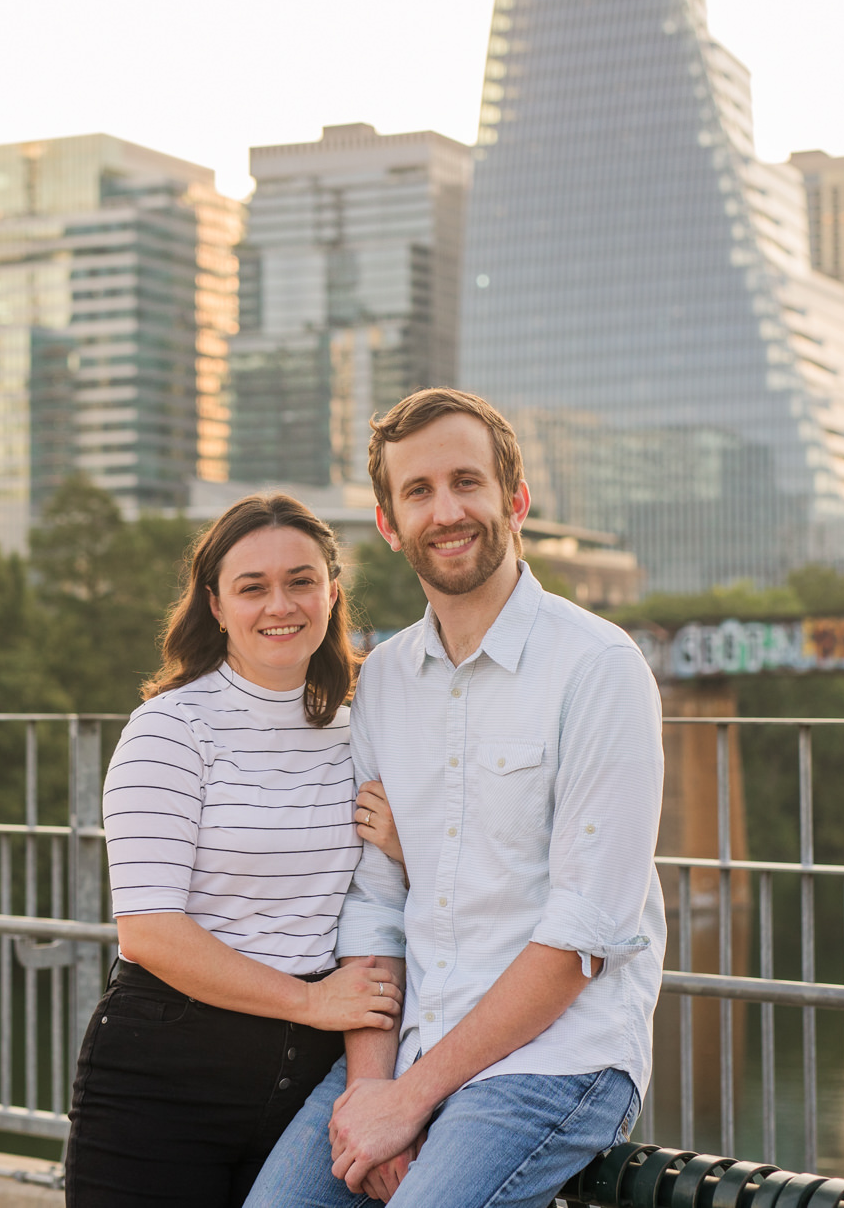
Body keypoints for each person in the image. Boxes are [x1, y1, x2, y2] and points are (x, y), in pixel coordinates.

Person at [245, 388, 667, 1208]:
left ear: (515, 501)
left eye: (467, 482)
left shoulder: (597, 668)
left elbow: (585, 933)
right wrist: (373, 1091)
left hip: (556, 1059)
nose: (447, 511)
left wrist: (410, 1100)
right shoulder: (386, 684)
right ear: (388, 522)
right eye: (419, 491)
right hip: (410, 1045)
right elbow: (373, 907)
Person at [65, 493, 404, 1208]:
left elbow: (393, 895)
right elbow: (150, 932)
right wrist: (311, 1002)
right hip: (162, 1082)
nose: (280, 604)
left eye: (301, 580)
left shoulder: (363, 731)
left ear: (331, 593)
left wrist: (409, 846)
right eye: (252, 586)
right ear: (216, 605)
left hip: (306, 1086)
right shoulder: (170, 729)